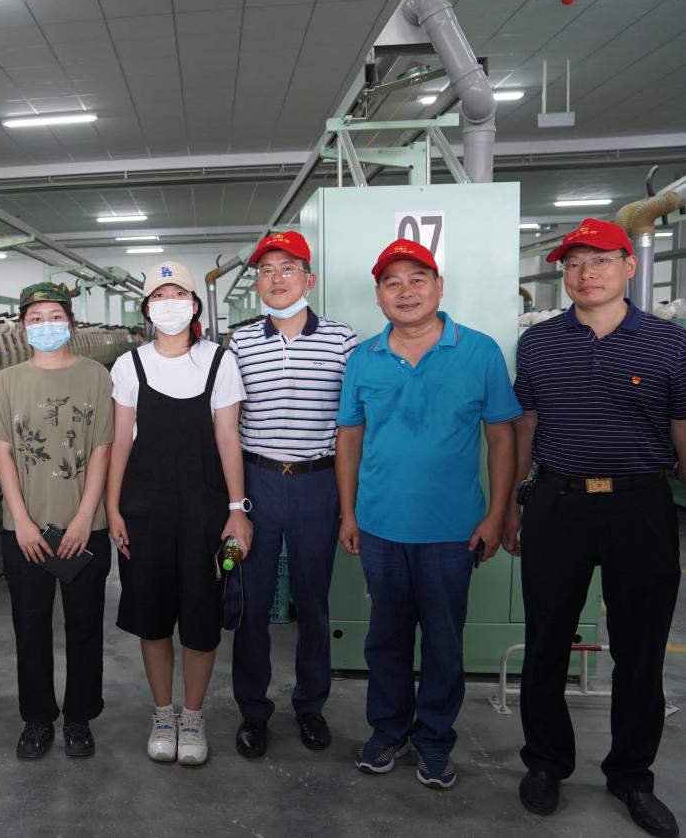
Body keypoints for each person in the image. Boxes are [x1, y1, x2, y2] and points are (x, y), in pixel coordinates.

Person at [504, 219, 684, 837]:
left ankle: (632, 775)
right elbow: (526, 427)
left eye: (600, 260)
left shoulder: (669, 342)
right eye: (574, 263)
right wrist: (513, 504)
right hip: (559, 503)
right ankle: (545, 763)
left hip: (642, 505)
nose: (587, 274)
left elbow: (683, 431)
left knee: (641, 649)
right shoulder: (539, 343)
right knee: (546, 642)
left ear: (629, 267)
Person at [335, 238, 520, 790]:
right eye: (392, 282)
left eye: (418, 279)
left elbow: (501, 437)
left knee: (443, 641)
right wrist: (348, 513)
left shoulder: (479, 351)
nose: (406, 291)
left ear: (439, 287)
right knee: (386, 639)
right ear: (378, 296)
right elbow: (349, 438)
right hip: (380, 526)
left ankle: (435, 740)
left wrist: (496, 514)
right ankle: (388, 730)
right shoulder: (363, 358)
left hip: (452, 530)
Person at [106, 260, 251, 766]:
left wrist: (237, 511)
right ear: (147, 310)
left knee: (201, 616)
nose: (169, 304)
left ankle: (193, 717)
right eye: (159, 296)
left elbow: (228, 437)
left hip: (206, 513)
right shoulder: (130, 365)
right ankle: (163, 714)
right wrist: (113, 507)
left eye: (179, 294)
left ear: (194, 305)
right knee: (152, 619)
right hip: (144, 512)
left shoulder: (219, 362)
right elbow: (121, 441)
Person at [228, 232, 358, 759]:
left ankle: (310, 704)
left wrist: (348, 505)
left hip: (316, 482)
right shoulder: (240, 342)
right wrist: (232, 504)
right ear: (257, 283)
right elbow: (228, 423)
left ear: (310, 279)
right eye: (266, 270)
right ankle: (253, 709)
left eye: (288, 268)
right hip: (257, 481)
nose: (276, 279)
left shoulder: (343, 340)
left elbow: (352, 425)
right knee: (251, 601)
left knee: (314, 599)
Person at [0, 282, 114, 759]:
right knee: (31, 627)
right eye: (36, 318)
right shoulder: (6, 381)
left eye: (55, 316)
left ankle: (79, 717)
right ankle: (37, 719)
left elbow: (101, 449)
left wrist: (85, 517)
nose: (46, 325)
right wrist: (20, 521)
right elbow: (3, 453)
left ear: (71, 322)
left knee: (84, 626)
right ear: (23, 326)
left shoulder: (96, 376)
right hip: (25, 531)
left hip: (85, 528)